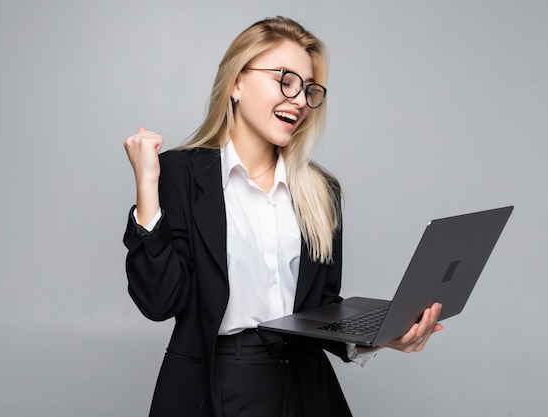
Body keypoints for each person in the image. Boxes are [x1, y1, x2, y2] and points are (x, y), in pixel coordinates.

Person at [122, 16, 443, 417]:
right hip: (220, 386)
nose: (298, 99)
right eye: (285, 80)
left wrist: (378, 336)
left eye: (308, 90)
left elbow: (321, 307)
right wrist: (148, 187)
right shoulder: (180, 175)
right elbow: (159, 301)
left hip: (307, 388)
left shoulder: (321, 191)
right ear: (237, 82)